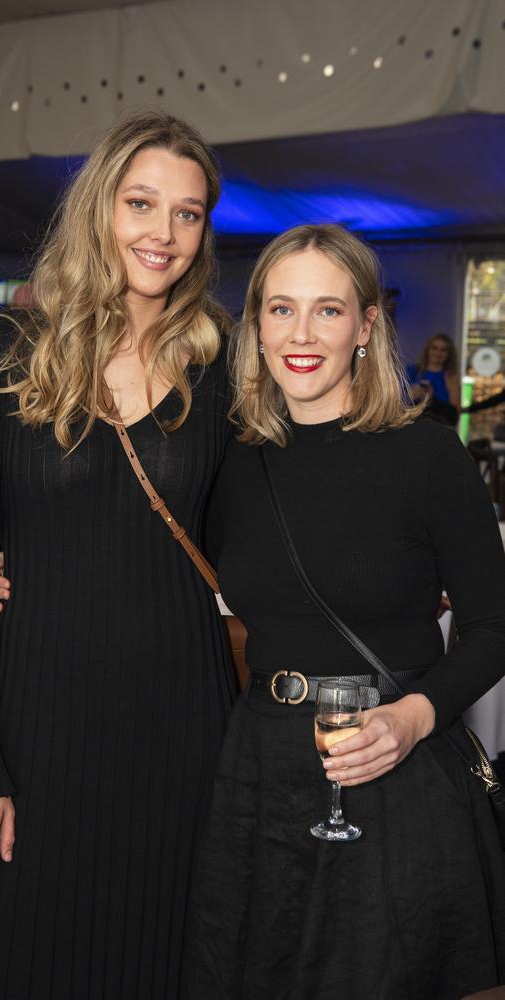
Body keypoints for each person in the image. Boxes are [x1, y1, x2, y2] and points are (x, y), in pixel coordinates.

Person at [0, 110, 237, 1000]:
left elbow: (260, 535)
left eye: (188, 212)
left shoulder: (220, 367)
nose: (163, 234)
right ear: (100, 208)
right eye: (142, 203)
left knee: (158, 953)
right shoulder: (2, 355)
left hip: (182, 721)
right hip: (35, 713)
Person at [181, 224, 505, 998]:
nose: (301, 334)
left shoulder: (428, 457)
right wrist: (12, 579)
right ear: (254, 323)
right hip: (260, 764)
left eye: (328, 311)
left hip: (394, 759)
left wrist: (414, 718)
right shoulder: (227, 458)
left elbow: (495, 627)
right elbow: (152, 565)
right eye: (280, 308)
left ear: (366, 326)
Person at [406, 331, 460, 425]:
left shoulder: (450, 377)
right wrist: (410, 395)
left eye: (443, 350)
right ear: (428, 349)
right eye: (434, 348)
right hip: (412, 425)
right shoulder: (412, 371)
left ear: (448, 354)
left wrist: (431, 398)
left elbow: (454, 413)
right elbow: (395, 401)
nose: (438, 353)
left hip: (438, 427)